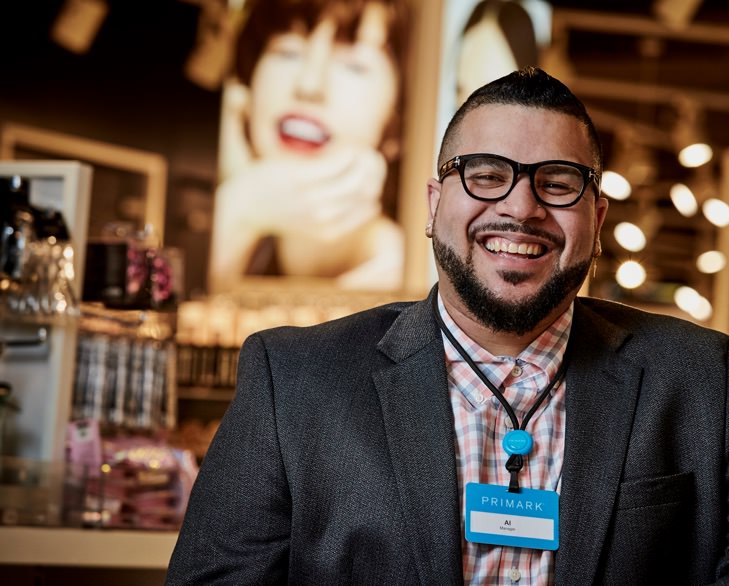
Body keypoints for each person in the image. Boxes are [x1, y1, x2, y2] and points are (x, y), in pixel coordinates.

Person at [166, 67, 729, 584]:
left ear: (598, 219)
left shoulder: (706, 380)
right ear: (434, 205)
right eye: (486, 175)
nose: (522, 207)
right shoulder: (292, 381)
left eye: (558, 184)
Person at [207, 0, 409, 294]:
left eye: (353, 66)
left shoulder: (418, 285)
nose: (309, 84)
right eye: (287, 52)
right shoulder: (243, 228)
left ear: (400, 122)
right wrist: (237, 210)